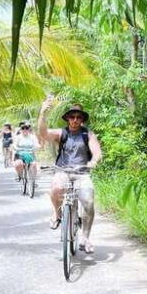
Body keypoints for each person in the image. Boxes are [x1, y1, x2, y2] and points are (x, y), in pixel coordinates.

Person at [38, 96, 102, 253]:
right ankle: (57, 213)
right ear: (67, 118)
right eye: (72, 117)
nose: (75, 120)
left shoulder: (88, 134)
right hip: (63, 171)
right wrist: (42, 114)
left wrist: (93, 161)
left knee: (88, 202)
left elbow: (97, 152)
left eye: (78, 117)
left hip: (81, 173)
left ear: (82, 120)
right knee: (55, 188)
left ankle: (85, 237)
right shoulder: (62, 133)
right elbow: (44, 133)